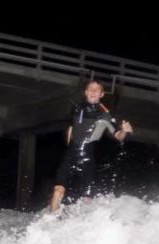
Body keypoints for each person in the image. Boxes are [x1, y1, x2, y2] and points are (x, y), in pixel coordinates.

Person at [50, 80, 133, 212]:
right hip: (70, 155)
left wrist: (124, 131)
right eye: (91, 89)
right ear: (86, 92)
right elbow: (71, 129)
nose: (93, 91)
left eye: (97, 90)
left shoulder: (104, 114)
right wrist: (68, 147)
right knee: (58, 191)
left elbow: (118, 135)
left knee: (88, 199)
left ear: (102, 94)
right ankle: (50, 223)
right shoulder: (76, 108)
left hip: (88, 159)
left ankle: (87, 227)